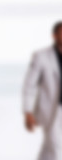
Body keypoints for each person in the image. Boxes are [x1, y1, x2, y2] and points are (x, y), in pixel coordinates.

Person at [23, 21, 62, 160]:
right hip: (52, 109)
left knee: (49, 149)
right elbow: (29, 85)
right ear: (54, 35)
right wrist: (28, 112)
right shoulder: (41, 56)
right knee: (57, 146)